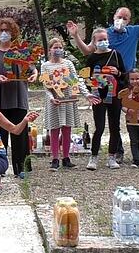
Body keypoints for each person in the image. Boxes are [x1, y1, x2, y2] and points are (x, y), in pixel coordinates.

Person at [67, 0, 139, 163]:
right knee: (113, 117)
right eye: (119, 17)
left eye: (125, 18)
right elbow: (88, 51)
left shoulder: (134, 31)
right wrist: (76, 37)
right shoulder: (105, 33)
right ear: (113, 17)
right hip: (105, 81)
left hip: (129, 78)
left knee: (137, 111)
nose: (121, 20)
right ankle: (117, 152)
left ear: (129, 20)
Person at [0, 18, 38, 177]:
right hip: (1, 99)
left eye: (7, 30)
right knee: (0, 136)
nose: (4, 33)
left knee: (20, 135)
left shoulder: (21, 50)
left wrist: (34, 75)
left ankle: (22, 169)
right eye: (1, 30)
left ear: (13, 32)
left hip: (19, 98)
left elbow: (32, 70)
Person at [41, 38, 98, 171]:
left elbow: (75, 81)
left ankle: (66, 157)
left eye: (60, 47)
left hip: (68, 100)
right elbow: (46, 86)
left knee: (67, 129)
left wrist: (86, 94)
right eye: (55, 47)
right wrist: (51, 98)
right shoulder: (45, 66)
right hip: (54, 101)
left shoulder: (68, 63)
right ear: (50, 50)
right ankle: (54, 158)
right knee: (54, 129)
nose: (58, 50)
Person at [84, 28, 125, 171]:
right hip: (98, 96)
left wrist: (117, 72)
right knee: (99, 127)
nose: (103, 42)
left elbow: (124, 75)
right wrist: (92, 90)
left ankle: (112, 157)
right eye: (100, 40)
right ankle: (93, 157)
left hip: (114, 95)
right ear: (94, 42)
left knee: (115, 127)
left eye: (105, 39)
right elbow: (86, 77)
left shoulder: (115, 54)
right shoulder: (91, 58)